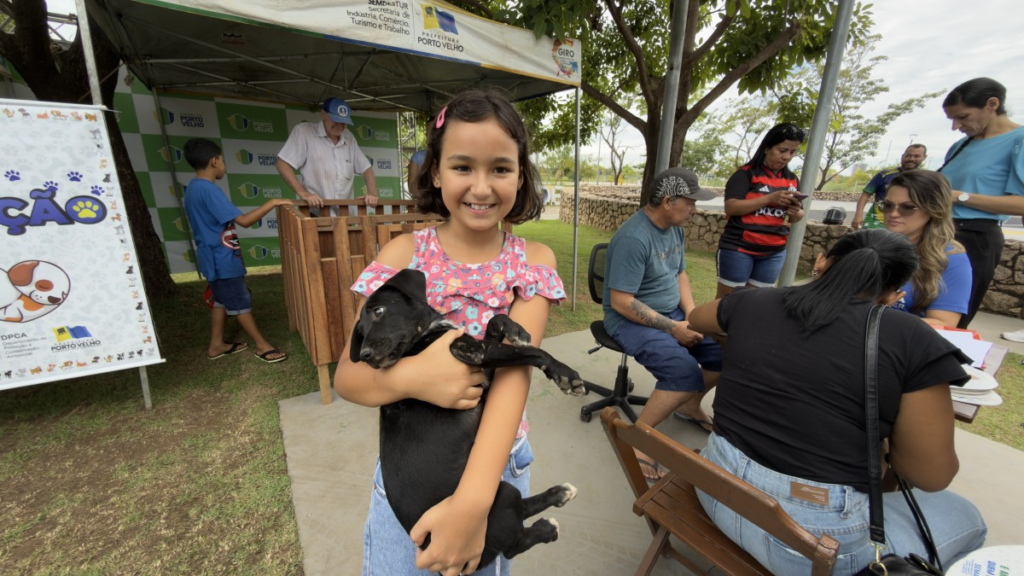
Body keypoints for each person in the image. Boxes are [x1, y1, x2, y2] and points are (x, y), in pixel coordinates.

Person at [334, 90, 563, 576]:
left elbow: (515, 377)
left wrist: (473, 504)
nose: (481, 187)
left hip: (495, 466)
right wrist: (414, 378)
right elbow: (348, 378)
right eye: (463, 167)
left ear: (520, 174)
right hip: (413, 467)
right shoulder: (401, 256)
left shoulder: (533, 263)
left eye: (500, 168)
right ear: (435, 171)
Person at [688, 229, 986, 576]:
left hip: (716, 491)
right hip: (809, 545)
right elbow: (931, 476)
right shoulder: (910, 339)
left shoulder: (754, 302)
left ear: (821, 262)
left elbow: (698, 318)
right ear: (893, 295)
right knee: (967, 518)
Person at [603, 167, 722, 481]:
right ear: (668, 201)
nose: (695, 210)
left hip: (672, 313)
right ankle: (639, 438)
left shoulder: (676, 228)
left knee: (725, 354)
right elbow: (622, 303)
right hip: (629, 321)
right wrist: (673, 328)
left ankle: (689, 405)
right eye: (691, 202)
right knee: (682, 372)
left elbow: (679, 273)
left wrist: (693, 316)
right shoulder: (634, 237)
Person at [182, 138, 290, 364]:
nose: (224, 164)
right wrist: (273, 203)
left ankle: (216, 345)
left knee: (221, 300)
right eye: (222, 160)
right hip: (222, 258)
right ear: (214, 161)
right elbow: (244, 221)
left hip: (211, 257)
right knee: (240, 303)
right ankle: (262, 346)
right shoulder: (209, 190)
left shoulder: (193, 188)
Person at [935, 78, 1024, 331]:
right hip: (937, 233)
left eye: (962, 117)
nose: (956, 126)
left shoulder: (1019, 139)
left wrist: (961, 197)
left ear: (992, 104)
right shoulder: (961, 145)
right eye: (952, 119)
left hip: (974, 238)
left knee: (950, 318)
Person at [716, 123, 806, 299]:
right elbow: (731, 207)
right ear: (767, 148)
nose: (787, 157)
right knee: (726, 302)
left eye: (792, 152)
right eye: (782, 150)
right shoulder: (745, 174)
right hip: (739, 249)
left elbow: (795, 216)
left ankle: (743, 328)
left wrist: (797, 213)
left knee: (754, 302)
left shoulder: (791, 179)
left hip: (774, 252)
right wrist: (768, 199)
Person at [882, 170, 972, 328]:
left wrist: (873, 321)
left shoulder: (951, 258)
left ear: (933, 209)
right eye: (888, 205)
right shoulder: (869, 243)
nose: (893, 214)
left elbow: (943, 324)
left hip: (902, 344)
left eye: (907, 207)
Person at [276, 97, 380, 216]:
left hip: (345, 217)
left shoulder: (349, 137)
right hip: (315, 214)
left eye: (343, 121)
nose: (339, 125)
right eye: (335, 120)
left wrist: (372, 193)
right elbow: (282, 163)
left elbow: (366, 168)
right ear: (323, 114)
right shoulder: (304, 131)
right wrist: (303, 193)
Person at [853, 144, 928, 230]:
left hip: (905, 224)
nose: (911, 159)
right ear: (903, 156)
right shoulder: (884, 175)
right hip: (876, 223)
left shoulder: (924, 180)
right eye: (908, 155)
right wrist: (858, 215)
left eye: (916, 156)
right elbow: (865, 195)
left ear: (924, 157)